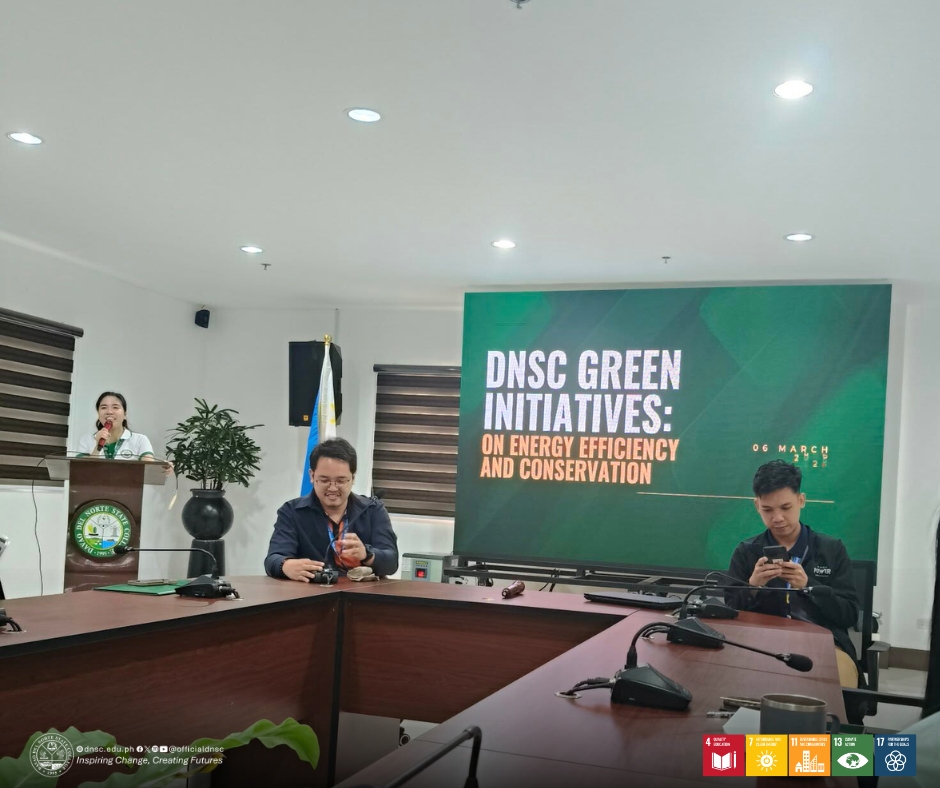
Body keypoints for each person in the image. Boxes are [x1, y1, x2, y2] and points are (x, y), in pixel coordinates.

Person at [726, 459, 860, 687]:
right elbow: (729, 612)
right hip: (761, 644)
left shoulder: (831, 549)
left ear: (801, 500)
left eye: (786, 507)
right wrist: (753, 586)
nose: (777, 518)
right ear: (757, 505)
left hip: (823, 643)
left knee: (838, 687)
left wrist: (809, 586)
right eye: (767, 510)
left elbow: (849, 615)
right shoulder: (746, 552)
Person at [264, 438, 399, 581]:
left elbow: (392, 562)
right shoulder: (292, 511)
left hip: (361, 592)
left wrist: (367, 555)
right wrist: (285, 565)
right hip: (311, 591)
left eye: (341, 481)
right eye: (324, 480)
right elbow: (273, 559)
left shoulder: (372, 510)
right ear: (312, 476)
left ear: (353, 478)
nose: (333, 488)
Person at [76, 392, 170, 472]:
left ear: (125, 414)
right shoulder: (86, 440)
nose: (109, 412)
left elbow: (149, 467)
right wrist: (97, 447)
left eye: (115, 407)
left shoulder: (140, 440)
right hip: (93, 488)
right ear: (98, 414)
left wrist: (163, 467)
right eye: (104, 407)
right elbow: (81, 470)